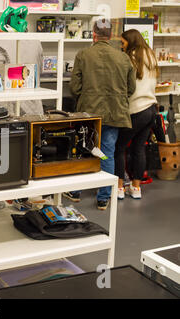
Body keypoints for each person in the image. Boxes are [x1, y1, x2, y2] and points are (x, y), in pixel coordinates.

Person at [64, 19, 136, 210]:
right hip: (114, 113)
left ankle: (76, 192)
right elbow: (131, 88)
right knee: (107, 153)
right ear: (111, 35)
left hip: (88, 113)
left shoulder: (83, 55)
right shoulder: (123, 58)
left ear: (94, 34)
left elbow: (74, 87)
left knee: (83, 150)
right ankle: (103, 198)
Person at [114, 29, 159, 200]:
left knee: (119, 148)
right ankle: (136, 188)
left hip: (136, 109)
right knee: (139, 148)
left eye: (123, 43)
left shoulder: (129, 59)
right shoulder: (151, 55)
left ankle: (119, 188)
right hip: (151, 110)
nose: (121, 46)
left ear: (130, 42)